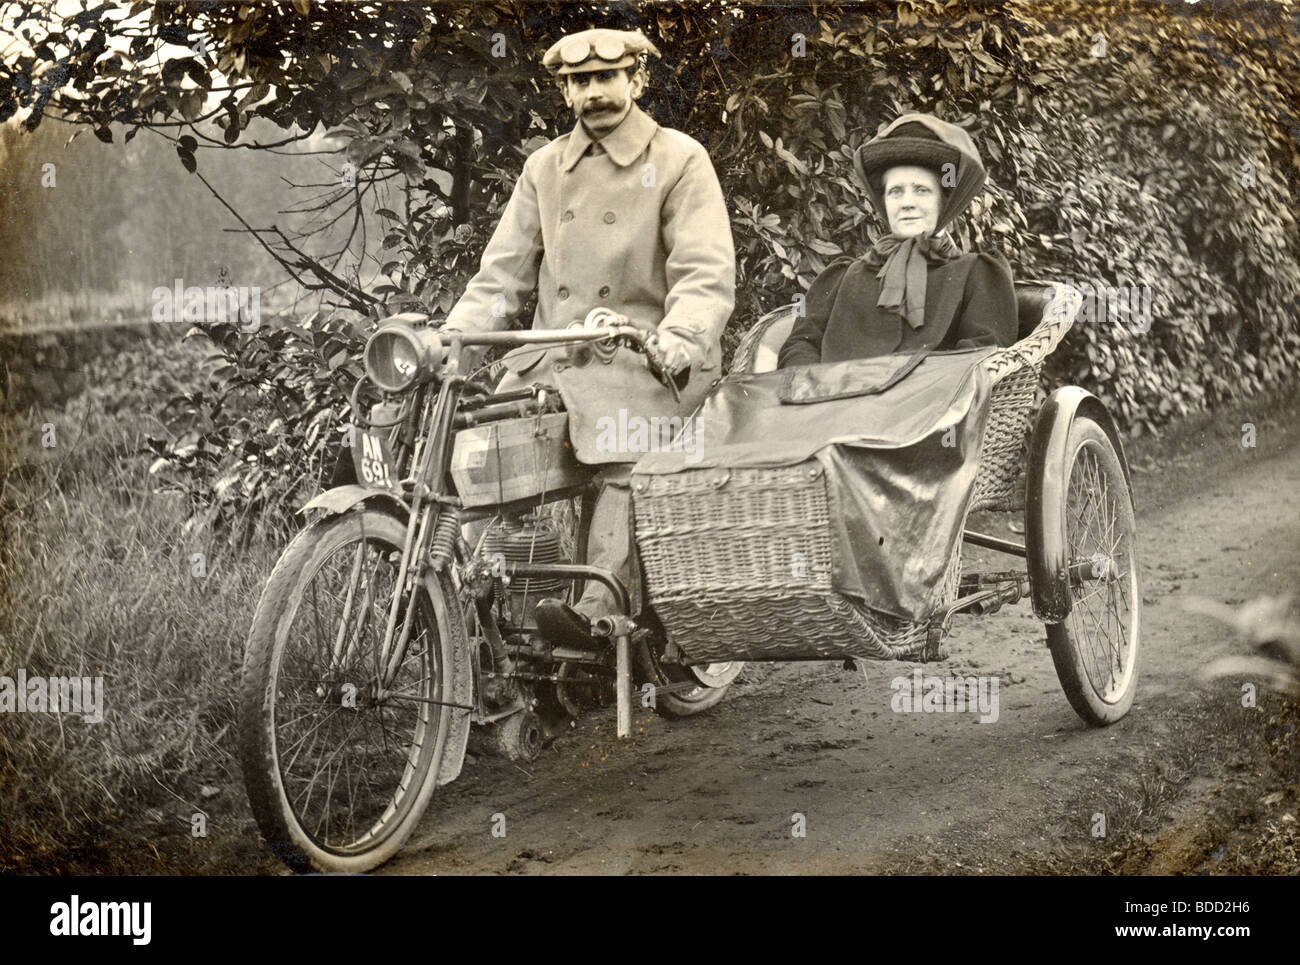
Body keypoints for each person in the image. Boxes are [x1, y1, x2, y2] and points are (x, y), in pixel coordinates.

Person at [441, 28, 735, 647]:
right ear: (565, 90)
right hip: (555, 360)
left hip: (648, 361)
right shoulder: (544, 168)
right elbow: (502, 277)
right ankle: (461, 608)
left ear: (637, 79)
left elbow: (704, 276)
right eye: (580, 82)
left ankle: (599, 609)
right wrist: (455, 339)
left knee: (628, 455)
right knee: (481, 450)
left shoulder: (679, 159)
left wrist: (677, 339)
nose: (594, 92)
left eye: (607, 77)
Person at [778, 113, 1017, 368]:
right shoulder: (842, 276)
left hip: (927, 404)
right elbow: (799, 345)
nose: (907, 203)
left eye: (921, 190)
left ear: (944, 201)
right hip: (825, 402)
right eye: (895, 192)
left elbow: (981, 358)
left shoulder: (977, 273)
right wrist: (817, 391)